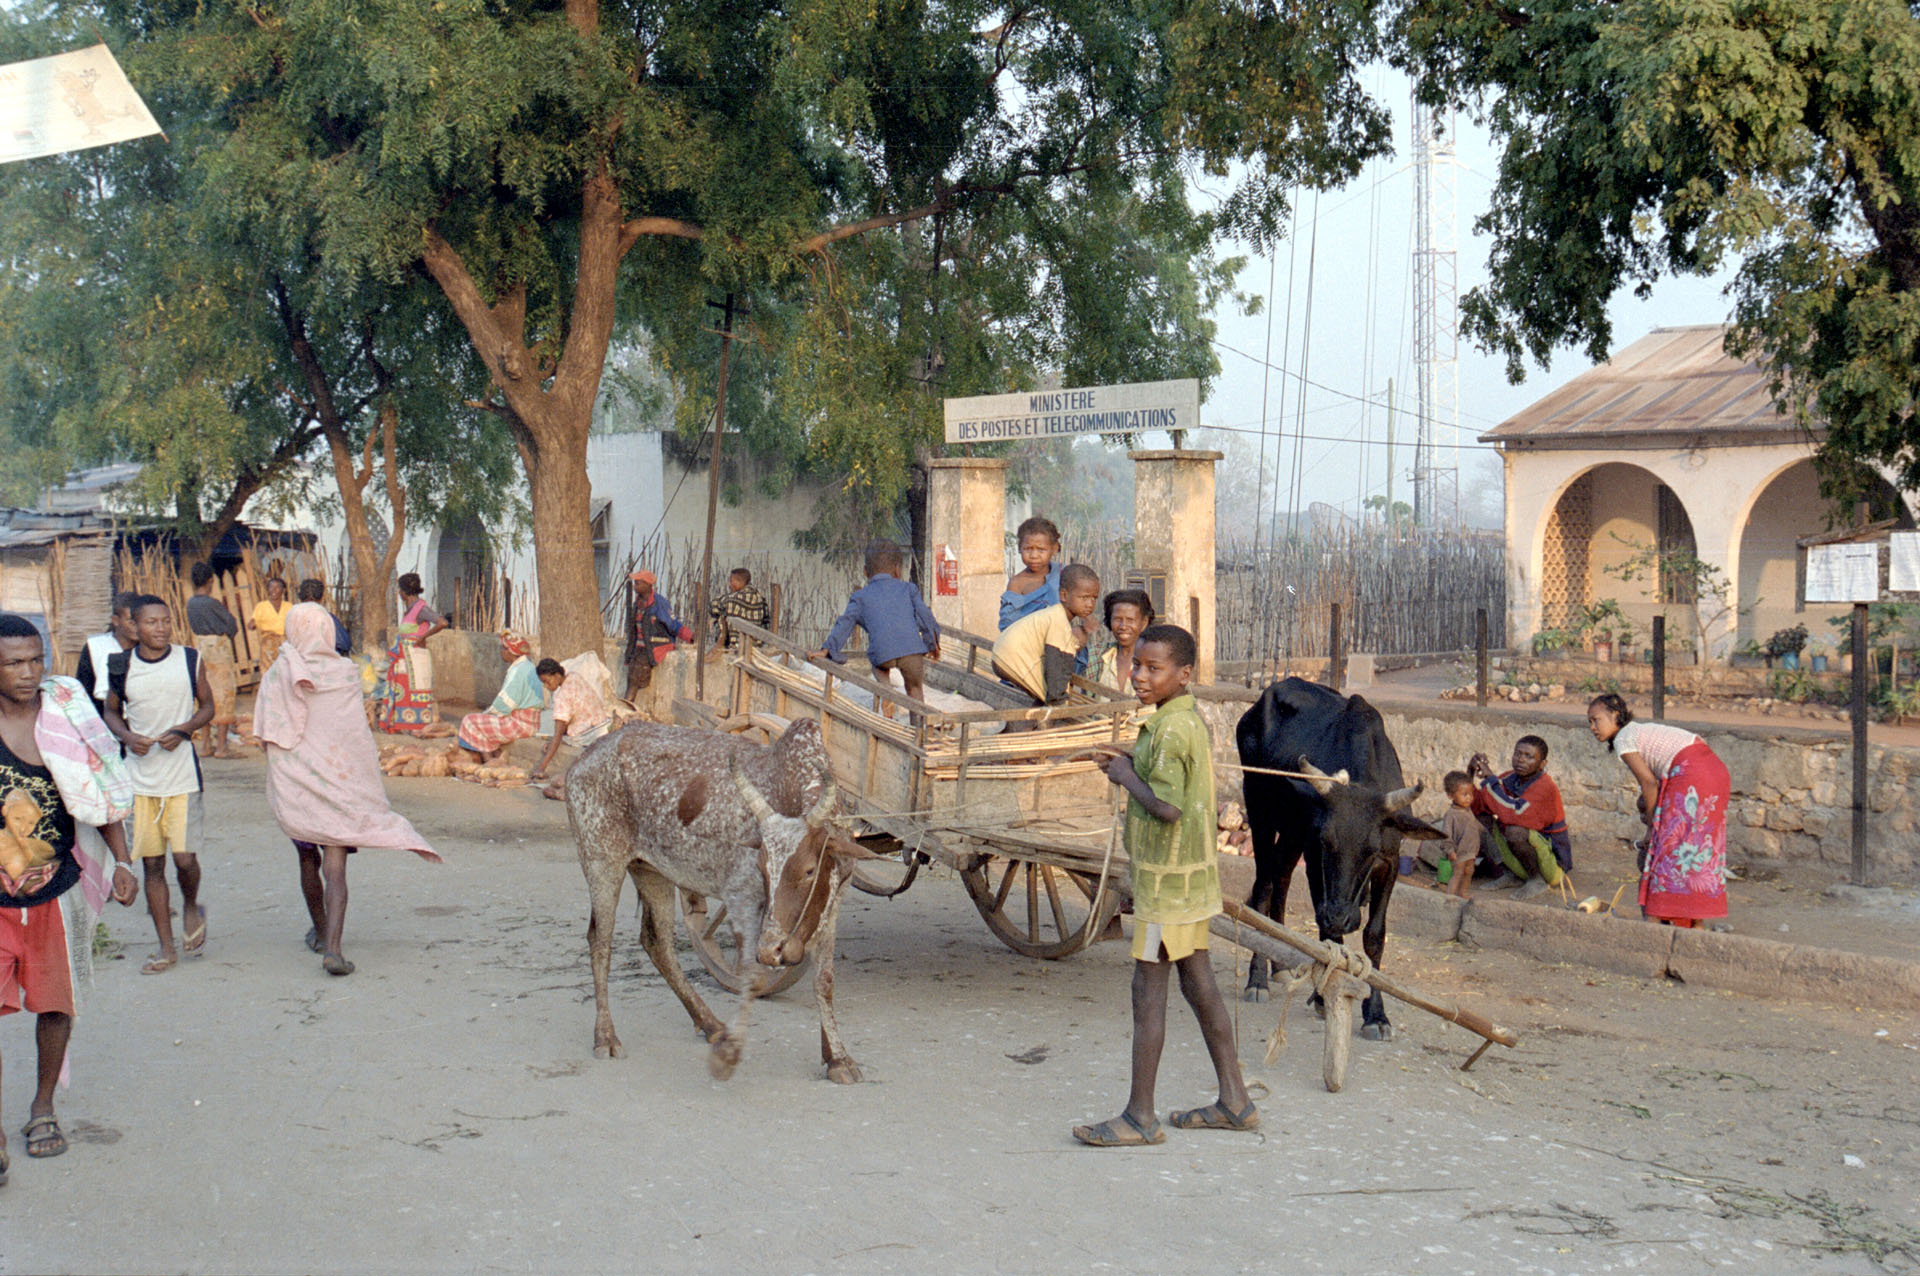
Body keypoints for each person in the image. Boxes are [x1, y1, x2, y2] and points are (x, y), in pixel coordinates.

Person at [1072, 624, 1255, 1147]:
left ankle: (1139, 1116)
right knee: (1200, 989)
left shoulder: (1173, 729)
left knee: (1147, 992)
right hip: (1188, 885)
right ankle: (1235, 1101)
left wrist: (1126, 777)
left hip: (1167, 889)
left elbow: (1168, 808)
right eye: (1138, 666)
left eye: (1155, 669)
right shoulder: (1174, 720)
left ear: (1184, 675)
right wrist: (1131, 760)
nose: (1140, 676)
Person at [0, 612, 140, 1183]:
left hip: (55, 893)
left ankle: (42, 1109)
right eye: (13, 663)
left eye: (36, 660)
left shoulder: (66, 717)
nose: (29, 672)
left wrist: (124, 860)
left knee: (58, 1004)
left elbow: (99, 785)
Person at [254, 603, 442, 977]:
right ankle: (335, 951)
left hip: (300, 789)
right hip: (339, 785)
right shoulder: (345, 673)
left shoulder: (279, 673)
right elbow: (355, 735)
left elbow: (268, 732)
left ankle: (321, 934)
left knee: (308, 860)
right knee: (336, 869)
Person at [102, 596, 215, 975]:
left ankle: (190, 903)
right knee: (152, 865)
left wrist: (184, 730)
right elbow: (111, 712)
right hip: (140, 780)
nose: (161, 628)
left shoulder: (188, 659)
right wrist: (127, 737)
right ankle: (166, 947)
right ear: (134, 626)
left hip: (182, 777)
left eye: (166, 621)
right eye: (151, 622)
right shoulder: (120, 666)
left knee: (184, 859)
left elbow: (207, 707)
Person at [1587, 693, 1730, 927]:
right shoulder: (1639, 731)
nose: (1593, 727)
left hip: (1691, 773)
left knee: (1667, 850)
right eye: (1589, 723)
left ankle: (1656, 922)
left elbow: (1649, 783)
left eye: (1596, 720)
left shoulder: (1625, 737)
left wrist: (1653, 825)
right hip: (1713, 771)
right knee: (1695, 852)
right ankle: (1694, 923)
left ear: (1615, 715)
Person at [809, 543, 943, 712]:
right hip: (912, 651)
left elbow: (844, 623)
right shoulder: (909, 589)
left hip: (883, 654)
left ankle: (886, 692)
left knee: (878, 666)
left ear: (865, 572)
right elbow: (926, 617)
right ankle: (918, 729)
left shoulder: (860, 597)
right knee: (915, 690)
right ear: (897, 569)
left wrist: (828, 648)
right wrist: (933, 644)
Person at [1467, 734, 1573, 899]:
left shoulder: (1545, 787)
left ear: (1542, 764)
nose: (1520, 760)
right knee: (1480, 819)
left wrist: (1490, 778)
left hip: (1552, 866)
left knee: (1515, 831)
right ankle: (1510, 873)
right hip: (1522, 858)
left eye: (1529, 756)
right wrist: (1471, 771)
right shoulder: (1512, 777)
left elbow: (1515, 814)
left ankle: (1536, 880)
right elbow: (1477, 803)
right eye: (1518, 754)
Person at [991, 563, 1101, 706]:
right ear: (1064, 595)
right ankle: (1049, 716)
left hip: (1003, 655)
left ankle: (1040, 716)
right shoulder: (1058, 621)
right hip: (1010, 659)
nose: (1090, 604)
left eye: (1094, 598)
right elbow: (1056, 664)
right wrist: (1059, 698)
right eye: (1084, 598)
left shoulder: (1054, 615)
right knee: (1053, 698)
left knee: (1044, 694)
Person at [375, 572, 447, 734]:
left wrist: (423, 637)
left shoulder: (421, 608)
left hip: (414, 657)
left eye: (400, 590)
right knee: (405, 691)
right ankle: (403, 723)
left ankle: (416, 724)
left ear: (404, 592)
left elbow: (442, 622)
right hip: (404, 658)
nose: (399, 593)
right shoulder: (410, 610)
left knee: (415, 691)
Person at [458, 631, 545, 761]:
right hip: (532, 722)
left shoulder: (518, 671)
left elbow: (505, 704)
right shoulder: (529, 666)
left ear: (510, 651)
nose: (501, 651)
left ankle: (489, 762)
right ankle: (495, 756)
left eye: (503, 648)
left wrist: (487, 714)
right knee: (483, 720)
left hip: (520, 724)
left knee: (470, 721)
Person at [186, 563, 243, 758]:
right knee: (225, 694)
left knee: (205, 694)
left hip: (201, 649)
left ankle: (206, 746)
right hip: (219, 650)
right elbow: (231, 624)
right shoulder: (212, 604)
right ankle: (221, 747)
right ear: (211, 581)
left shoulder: (191, 604)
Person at [530, 658, 612, 782]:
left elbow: (558, 735)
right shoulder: (574, 677)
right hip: (603, 723)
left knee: (553, 741)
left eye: (547, 681)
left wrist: (541, 767)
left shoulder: (561, 696)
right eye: (543, 683)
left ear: (557, 675)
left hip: (588, 733)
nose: (546, 686)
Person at [624, 569, 692, 697]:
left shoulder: (659, 603)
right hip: (639, 647)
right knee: (631, 672)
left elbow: (673, 624)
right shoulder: (638, 603)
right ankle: (628, 707)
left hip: (654, 646)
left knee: (635, 677)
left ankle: (627, 706)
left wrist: (689, 636)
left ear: (648, 585)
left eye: (638, 583)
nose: (635, 586)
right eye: (635, 583)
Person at [1434, 770, 1501, 899]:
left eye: (1471, 794)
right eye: (1464, 794)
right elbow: (1445, 835)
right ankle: (1450, 896)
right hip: (1459, 852)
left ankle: (1463, 892)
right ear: (1450, 796)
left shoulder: (1467, 810)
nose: (1469, 798)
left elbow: (1475, 825)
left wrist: (1485, 835)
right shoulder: (1451, 815)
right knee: (1458, 873)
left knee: (1469, 871)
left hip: (1471, 850)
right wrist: (1450, 850)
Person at [73, 591, 139, 721]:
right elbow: (85, 692)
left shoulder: (147, 649)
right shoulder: (96, 648)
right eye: (131, 621)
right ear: (115, 620)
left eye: (141, 620)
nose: (137, 626)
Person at [999, 516, 1063, 631]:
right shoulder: (1017, 583)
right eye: (1028, 549)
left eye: (1041, 549)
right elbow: (1008, 623)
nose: (1034, 556)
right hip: (1029, 642)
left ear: (1054, 549)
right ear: (1019, 548)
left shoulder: (1063, 574)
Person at [1094, 588, 1155, 692]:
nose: (1123, 626)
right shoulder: (1097, 656)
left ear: (1144, 622)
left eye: (1130, 620)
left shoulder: (1155, 660)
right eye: (1117, 619)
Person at [709, 567, 771, 657]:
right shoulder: (759, 597)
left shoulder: (735, 599)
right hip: (756, 645)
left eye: (732, 581)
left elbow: (717, 604)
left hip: (740, 645)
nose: (730, 585)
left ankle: (734, 644)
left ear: (741, 582)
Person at [296, 578, 352, 657]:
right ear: (321, 597)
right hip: (323, 662)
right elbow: (345, 644)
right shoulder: (327, 617)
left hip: (298, 661)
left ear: (300, 597)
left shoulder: (292, 616)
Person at [250, 575, 292, 670]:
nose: (274, 590)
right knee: (269, 669)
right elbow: (253, 621)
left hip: (286, 641)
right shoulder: (261, 606)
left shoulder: (289, 606)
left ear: (283, 590)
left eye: (277, 587)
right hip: (268, 642)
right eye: (271, 587)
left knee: (287, 668)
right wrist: (252, 624)